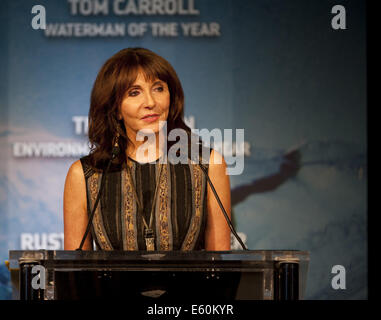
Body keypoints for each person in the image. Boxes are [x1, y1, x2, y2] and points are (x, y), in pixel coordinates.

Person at [63, 47, 231, 251]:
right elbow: (74, 272)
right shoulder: (85, 174)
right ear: (115, 109)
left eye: (158, 88)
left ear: (172, 96)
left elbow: (219, 266)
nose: (150, 102)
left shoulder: (208, 164)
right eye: (134, 93)